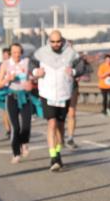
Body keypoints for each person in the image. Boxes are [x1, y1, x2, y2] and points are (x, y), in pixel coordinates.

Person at [34, 31, 79, 171]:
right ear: (49, 41)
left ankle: (58, 152)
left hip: (64, 93)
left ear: (62, 41)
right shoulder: (41, 53)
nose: (55, 44)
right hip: (47, 94)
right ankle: (53, 156)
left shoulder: (70, 53)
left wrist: (74, 72)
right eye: (53, 42)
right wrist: (36, 72)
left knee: (60, 126)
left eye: (58, 41)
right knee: (52, 123)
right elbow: (31, 67)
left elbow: (82, 67)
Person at [0, 43, 36, 164]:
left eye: (19, 52)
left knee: (26, 125)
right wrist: (7, 79)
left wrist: (32, 83)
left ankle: (24, 143)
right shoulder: (5, 64)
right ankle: (16, 153)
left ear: (21, 52)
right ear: (10, 53)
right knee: (15, 127)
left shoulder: (26, 62)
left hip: (25, 97)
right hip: (12, 97)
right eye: (14, 52)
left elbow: (34, 77)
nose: (17, 55)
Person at [64, 49, 91, 148]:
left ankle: (70, 138)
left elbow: (81, 69)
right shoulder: (53, 57)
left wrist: (74, 72)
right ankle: (60, 136)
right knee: (59, 116)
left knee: (71, 113)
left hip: (72, 87)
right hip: (57, 90)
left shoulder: (75, 57)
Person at [0, 47, 12, 141]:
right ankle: (8, 129)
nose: (5, 57)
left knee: (11, 110)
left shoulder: (13, 64)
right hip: (3, 90)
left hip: (12, 89)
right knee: (6, 110)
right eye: (4, 55)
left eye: (7, 55)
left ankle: (12, 128)